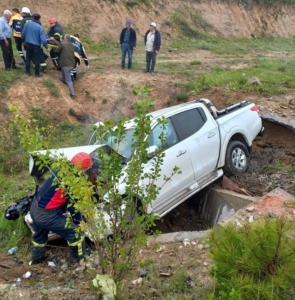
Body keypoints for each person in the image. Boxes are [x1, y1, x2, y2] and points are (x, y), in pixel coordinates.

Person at [29, 152, 93, 264]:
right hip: (46, 215)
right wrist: (79, 222)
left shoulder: (62, 169)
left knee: (40, 236)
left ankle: (36, 260)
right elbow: (73, 206)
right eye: (87, 169)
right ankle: (78, 260)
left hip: (35, 208)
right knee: (75, 233)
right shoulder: (73, 181)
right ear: (84, 168)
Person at [54, 34, 76, 98]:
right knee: (63, 69)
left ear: (65, 39)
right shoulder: (72, 45)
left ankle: (72, 94)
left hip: (66, 65)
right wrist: (55, 41)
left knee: (69, 79)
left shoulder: (63, 44)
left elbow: (57, 51)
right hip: (72, 64)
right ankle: (63, 80)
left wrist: (55, 48)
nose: (63, 39)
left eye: (64, 38)